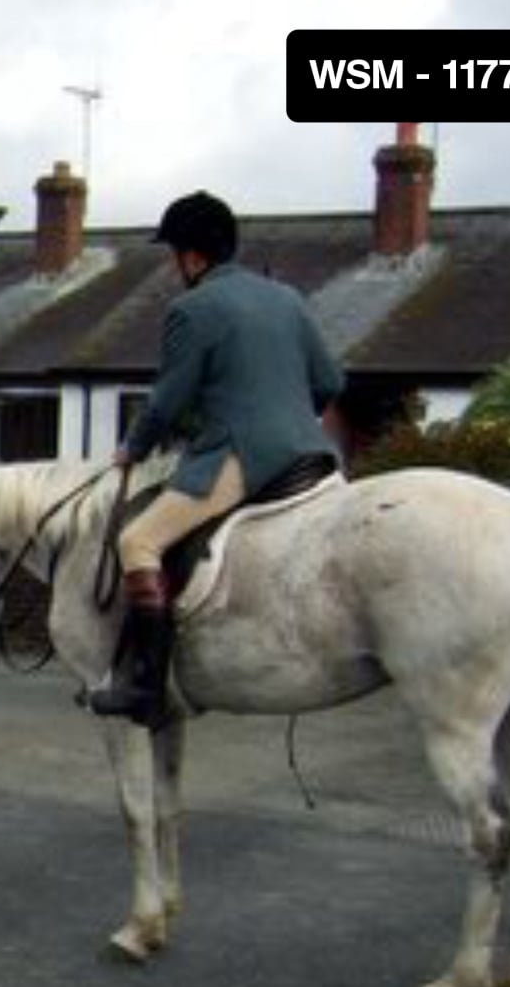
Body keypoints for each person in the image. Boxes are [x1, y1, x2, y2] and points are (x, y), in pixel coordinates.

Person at [88, 190, 346, 726]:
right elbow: (329, 381)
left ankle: (147, 690)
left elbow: (169, 398)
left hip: (243, 455)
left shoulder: (192, 307)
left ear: (192, 256)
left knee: (137, 539)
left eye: (173, 256)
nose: (173, 267)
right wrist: (292, 420)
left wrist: (131, 448)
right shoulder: (288, 298)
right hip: (315, 454)